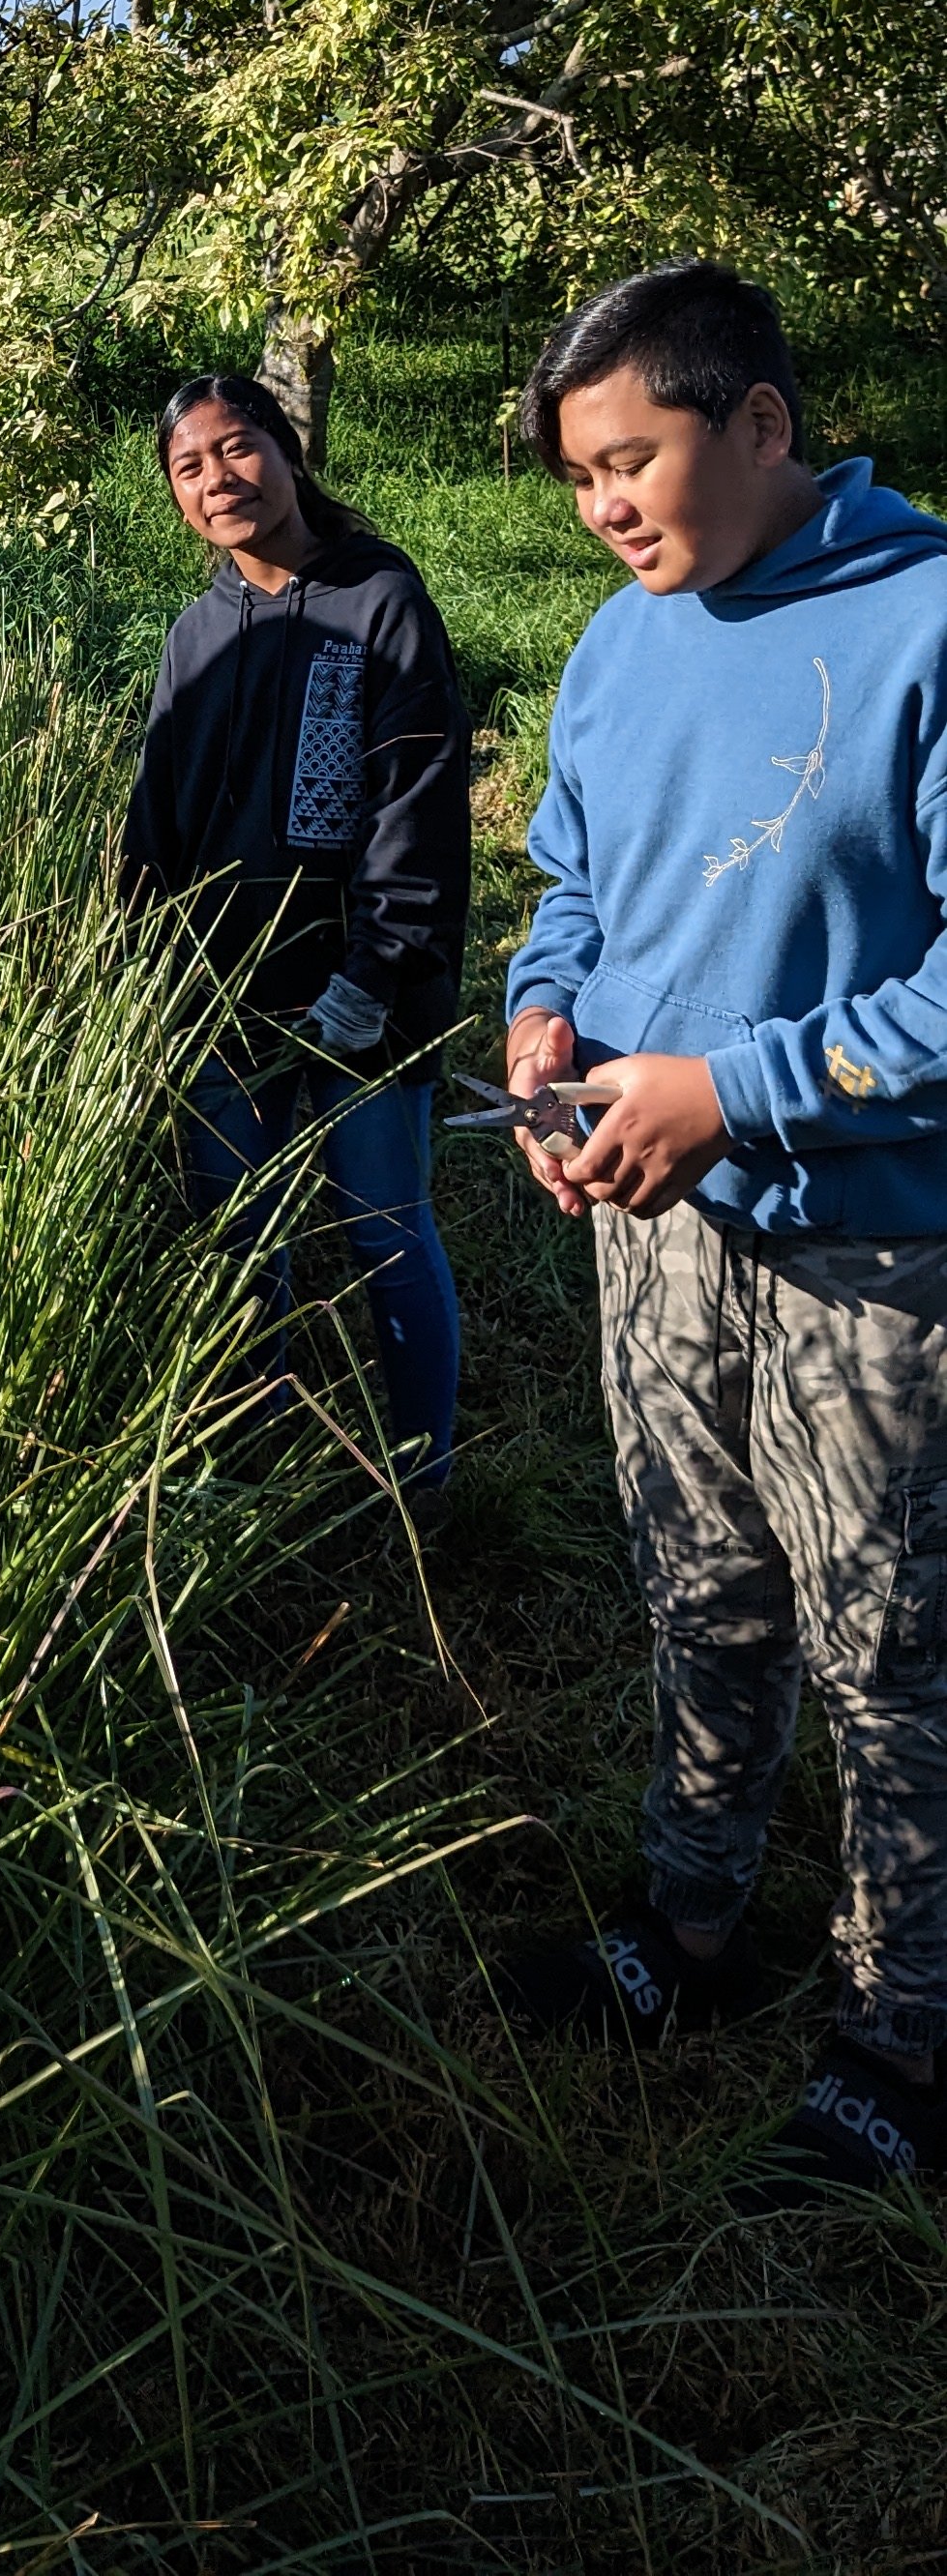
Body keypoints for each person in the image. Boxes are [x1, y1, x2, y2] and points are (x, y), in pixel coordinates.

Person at [497, 261, 947, 2200]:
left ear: (758, 424)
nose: (606, 506)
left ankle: (905, 2034)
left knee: (892, 1647)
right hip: (654, 1227)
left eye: (633, 460)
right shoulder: (620, 639)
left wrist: (733, 1091)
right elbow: (574, 881)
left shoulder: (928, 622)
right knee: (701, 1589)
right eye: (580, 477)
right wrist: (547, 1018)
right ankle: (689, 1924)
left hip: (868, 1252)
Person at [121, 372, 472, 1500]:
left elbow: (416, 804)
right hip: (223, 993)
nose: (219, 479)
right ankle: (246, 1450)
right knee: (236, 1234)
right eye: (190, 466)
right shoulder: (198, 633)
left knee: (384, 1231)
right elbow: (157, 818)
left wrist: (373, 972)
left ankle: (422, 1482)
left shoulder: (380, 602)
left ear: (288, 449)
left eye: (239, 449)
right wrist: (141, 970)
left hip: (360, 997)